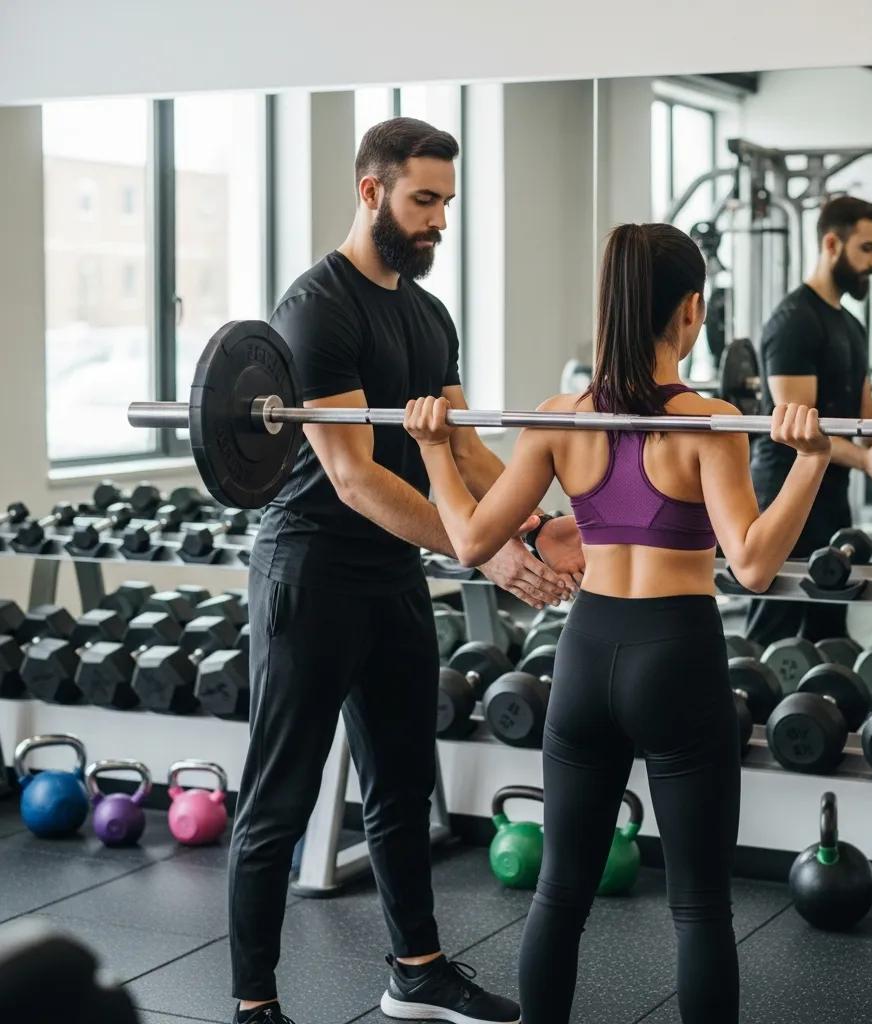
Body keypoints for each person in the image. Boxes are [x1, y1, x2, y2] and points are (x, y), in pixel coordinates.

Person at [404, 221, 833, 1023]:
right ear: (691, 309)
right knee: (699, 907)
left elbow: (469, 541)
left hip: (586, 654)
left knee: (559, 894)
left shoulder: (559, 419)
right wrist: (809, 464)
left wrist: (433, 448)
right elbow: (752, 565)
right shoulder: (709, 423)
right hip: (677, 654)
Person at [229, 117, 584, 1024]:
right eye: (424, 200)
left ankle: (416, 971)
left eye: (446, 203)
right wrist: (482, 550)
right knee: (280, 798)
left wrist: (533, 523)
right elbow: (353, 476)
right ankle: (254, 1005)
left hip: (392, 575)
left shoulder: (427, 315)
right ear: (372, 191)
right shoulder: (317, 308)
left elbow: (462, 451)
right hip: (309, 574)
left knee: (400, 783)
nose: (438, 221)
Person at [745, 196, 872, 647]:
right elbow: (799, 431)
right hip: (784, 495)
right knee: (773, 628)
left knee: (829, 622)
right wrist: (867, 463)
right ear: (832, 244)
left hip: (830, 497)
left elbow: (867, 416)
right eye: (867, 248)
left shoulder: (851, 327)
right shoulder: (793, 322)